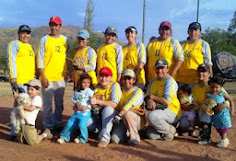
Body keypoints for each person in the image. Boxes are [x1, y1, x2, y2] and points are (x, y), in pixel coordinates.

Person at [37, 16, 69, 132]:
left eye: (56, 25)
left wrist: (65, 72)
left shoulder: (65, 40)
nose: (53, 27)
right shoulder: (44, 39)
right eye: (52, 25)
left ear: (60, 27)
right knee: (47, 105)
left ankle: (58, 123)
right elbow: (40, 58)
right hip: (47, 77)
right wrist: (43, 76)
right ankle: (48, 126)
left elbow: (64, 56)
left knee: (59, 104)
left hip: (60, 77)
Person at [7, 25, 36, 139]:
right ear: (18, 34)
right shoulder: (14, 44)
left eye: (27, 33)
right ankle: (14, 132)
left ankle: (25, 130)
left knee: (27, 106)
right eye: (23, 33)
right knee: (19, 106)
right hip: (19, 80)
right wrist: (13, 77)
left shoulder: (30, 47)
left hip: (29, 82)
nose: (25, 35)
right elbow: (11, 60)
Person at [190, 64, 229, 145]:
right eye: (199, 71)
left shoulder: (214, 85)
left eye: (204, 71)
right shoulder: (193, 86)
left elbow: (226, 98)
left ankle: (207, 136)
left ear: (208, 73)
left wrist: (225, 105)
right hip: (197, 111)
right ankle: (199, 132)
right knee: (186, 121)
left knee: (206, 111)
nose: (201, 74)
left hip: (213, 111)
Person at [145, 58, 181, 141]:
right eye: (157, 68)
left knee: (152, 116)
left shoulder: (170, 81)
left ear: (167, 69)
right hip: (158, 110)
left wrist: (152, 97)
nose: (159, 70)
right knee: (151, 135)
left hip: (172, 110)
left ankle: (170, 131)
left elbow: (166, 101)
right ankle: (165, 130)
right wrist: (149, 100)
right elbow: (147, 97)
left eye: (162, 68)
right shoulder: (152, 81)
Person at [89, 67, 122, 148]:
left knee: (108, 109)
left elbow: (114, 104)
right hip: (99, 117)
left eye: (106, 76)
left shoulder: (114, 85)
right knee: (86, 122)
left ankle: (104, 139)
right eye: (101, 76)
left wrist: (97, 102)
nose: (103, 79)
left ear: (110, 77)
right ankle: (104, 130)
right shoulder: (95, 87)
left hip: (114, 119)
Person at [12, 79, 52, 145]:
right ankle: (36, 132)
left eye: (32, 89)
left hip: (29, 124)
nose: (29, 91)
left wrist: (21, 106)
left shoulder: (37, 98)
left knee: (33, 142)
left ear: (38, 90)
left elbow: (31, 108)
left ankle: (45, 134)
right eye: (28, 89)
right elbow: (15, 106)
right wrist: (16, 98)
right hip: (21, 123)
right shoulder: (26, 97)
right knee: (21, 141)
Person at [57, 74, 94, 144]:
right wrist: (76, 103)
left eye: (88, 83)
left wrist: (87, 107)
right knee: (69, 123)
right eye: (84, 82)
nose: (86, 84)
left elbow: (92, 100)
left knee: (81, 124)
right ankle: (64, 137)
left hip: (86, 112)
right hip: (77, 112)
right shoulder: (77, 91)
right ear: (80, 82)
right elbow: (73, 99)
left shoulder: (89, 91)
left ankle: (83, 138)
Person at [111, 69, 144, 145]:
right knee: (115, 139)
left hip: (135, 120)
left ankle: (135, 138)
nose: (126, 81)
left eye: (129, 79)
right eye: (124, 79)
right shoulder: (119, 91)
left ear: (134, 80)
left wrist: (120, 114)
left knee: (128, 114)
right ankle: (127, 134)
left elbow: (129, 104)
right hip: (122, 119)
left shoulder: (138, 91)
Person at [176, 22, 213, 86]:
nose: (193, 32)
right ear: (188, 31)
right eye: (191, 30)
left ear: (200, 32)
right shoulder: (181, 44)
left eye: (196, 30)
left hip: (196, 80)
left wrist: (210, 76)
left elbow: (208, 62)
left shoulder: (204, 44)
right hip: (181, 80)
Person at [206, 77, 234, 148]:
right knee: (218, 128)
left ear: (221, 87)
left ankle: (224, 140)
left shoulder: (222, 94)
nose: (214, 89)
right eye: (212, 87)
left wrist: (232, 110)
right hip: (215, 115)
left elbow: (231, 100)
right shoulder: (208, 94)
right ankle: (223, 139)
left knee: (224, 127)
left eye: (217, 87)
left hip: (223, 114)